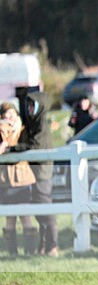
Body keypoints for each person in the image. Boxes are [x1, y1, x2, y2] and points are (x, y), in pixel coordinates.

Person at [7, 86, 59, 256]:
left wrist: (12, 149)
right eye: (28, 106)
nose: (29, 109)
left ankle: (52, 246)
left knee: (45, 207)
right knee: (39, 210)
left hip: (42, 172)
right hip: (35, 172)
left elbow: (34, 147)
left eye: (32, 106)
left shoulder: (41, 125)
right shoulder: (34, 123)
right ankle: (43, 246)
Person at [0, 102, 38, 256]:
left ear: (16, 114)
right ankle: (12, 253)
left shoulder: (22, 128)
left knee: (25, 215)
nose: (9, 117)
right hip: (4, 178)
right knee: (9, 218)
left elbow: (26, 145)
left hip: (22, 176)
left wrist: (8, 148)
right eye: (5, 114)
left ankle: (30, 252)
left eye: (11, 113)